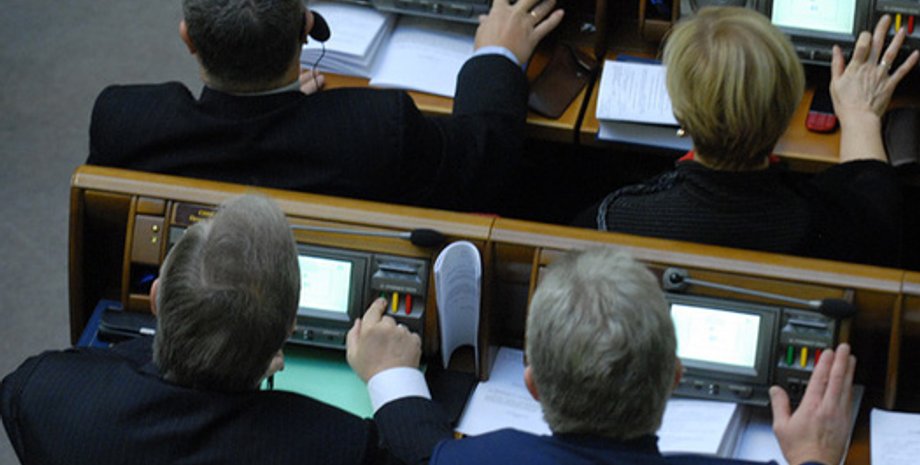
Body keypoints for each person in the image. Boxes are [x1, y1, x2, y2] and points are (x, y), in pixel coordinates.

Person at [1, 194, 447, 465]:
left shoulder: (39, 392)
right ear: (287, 332)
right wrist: (392, 374)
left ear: (156, 300)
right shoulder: (336, 445)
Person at [349, 247, 858, 465]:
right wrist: (814, 456)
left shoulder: (485, 458)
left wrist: (390, 373)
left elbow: (421, 450)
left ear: (532, 385)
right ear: (674, 378)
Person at [87, 0, 563, 212]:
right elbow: (484, 159)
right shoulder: (378, 130)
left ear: (188, 38)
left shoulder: (124, 124)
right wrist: (497, 55)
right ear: (307, 28)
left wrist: (282, 110)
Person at [575, 8, 919, 268]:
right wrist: (859, 115)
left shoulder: (607, 221)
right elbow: (875, 195)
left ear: (679, 114)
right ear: (789, 111)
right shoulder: (844, 226)